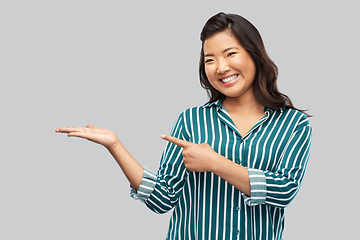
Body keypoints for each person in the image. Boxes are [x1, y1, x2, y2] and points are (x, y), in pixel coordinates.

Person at [56, 12, 312, 240]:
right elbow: (162, 198)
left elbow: (284, 191)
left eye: (230, 54)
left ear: (254, 54)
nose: (221, 68)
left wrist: (214, 163)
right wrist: (115, 145)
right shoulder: (191, 121)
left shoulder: (292, 124)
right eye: (210, 59)